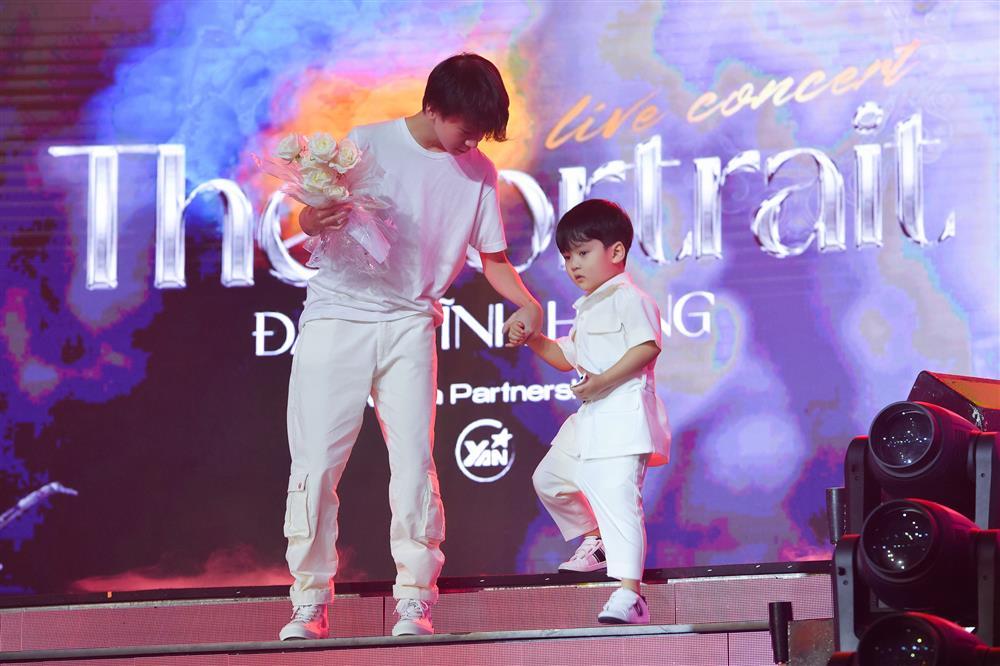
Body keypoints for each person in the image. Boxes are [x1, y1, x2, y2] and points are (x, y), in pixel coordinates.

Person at [279, 53, 542, 640]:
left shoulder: (479, 172)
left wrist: (528, 303)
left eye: (483, 131)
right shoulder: (367, 143)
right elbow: (310, 221)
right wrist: (315, 219)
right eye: (467, 127)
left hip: (411, 322)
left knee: (415, 464)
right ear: (434, 107)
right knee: (316, 464)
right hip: (338, 314)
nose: (473, 140)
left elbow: (494, 258)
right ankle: (309, 601)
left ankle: (415, 600)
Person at [508, 198, 670, 624]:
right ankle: (596, 542)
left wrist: (602, 382)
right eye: (567, 257)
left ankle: (630, 595)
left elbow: (647, 347)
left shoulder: (630, 298)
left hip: (622, 417)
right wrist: (532, 338)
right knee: (549, 480)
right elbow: (565, 356)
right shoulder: (589, 306)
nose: (573, 264)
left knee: (618, 500)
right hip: (590, 419)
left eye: (582, 252)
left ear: (616, 252)